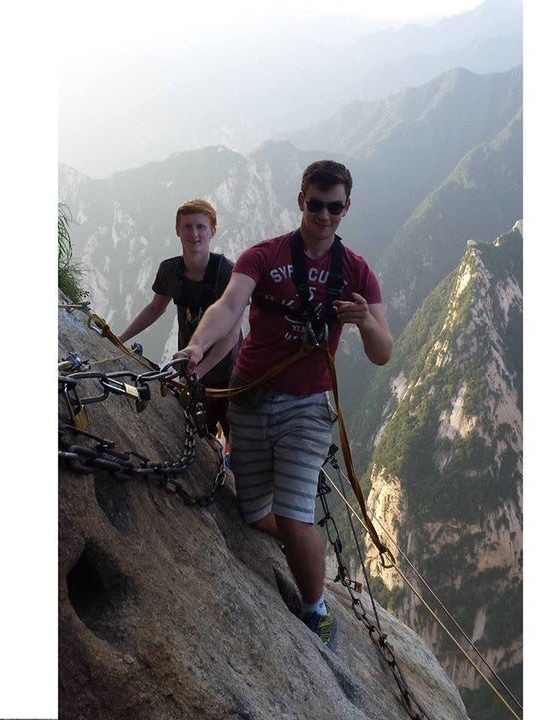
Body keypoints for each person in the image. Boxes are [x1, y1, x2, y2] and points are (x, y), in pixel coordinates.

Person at [173, 160, 393, 647]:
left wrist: (364, 322)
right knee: (255, 513)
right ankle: (306, 549)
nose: (324, 215)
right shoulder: (263, 256)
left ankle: (317, 610)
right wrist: (196, 347)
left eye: (334, 207)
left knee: (294, 517)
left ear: (346, 208)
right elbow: (228, 307)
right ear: (301, 200)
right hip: (249, 398)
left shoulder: (357, 272)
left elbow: (383, 353)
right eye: (315, 204)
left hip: (307, 407)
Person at [119, 198, 241, 439]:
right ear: (177, 230)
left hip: (230, 378)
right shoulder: (170, 270)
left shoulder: (228, 273)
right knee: (196, 442)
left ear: (212, 231)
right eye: (187, 226)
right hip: (192, 374)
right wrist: (119, 339)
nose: (193, 233)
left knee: (240, 448)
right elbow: (156, 308)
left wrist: (199, 372)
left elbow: (232, 335)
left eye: (200, 227)